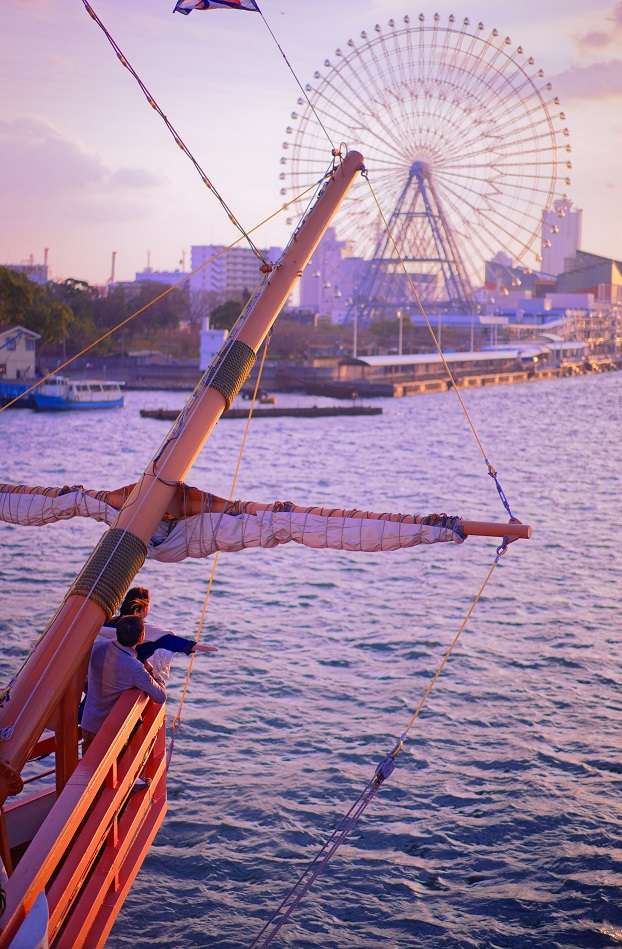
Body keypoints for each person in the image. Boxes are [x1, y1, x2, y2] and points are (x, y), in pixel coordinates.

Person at [81, 615, 167, 753]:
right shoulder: (135, 667)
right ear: (141, 637)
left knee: (86, 766)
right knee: (107, 771)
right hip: (110, 730)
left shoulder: (96, 647)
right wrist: (152, 670)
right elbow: (160, 696)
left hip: (88, 723)